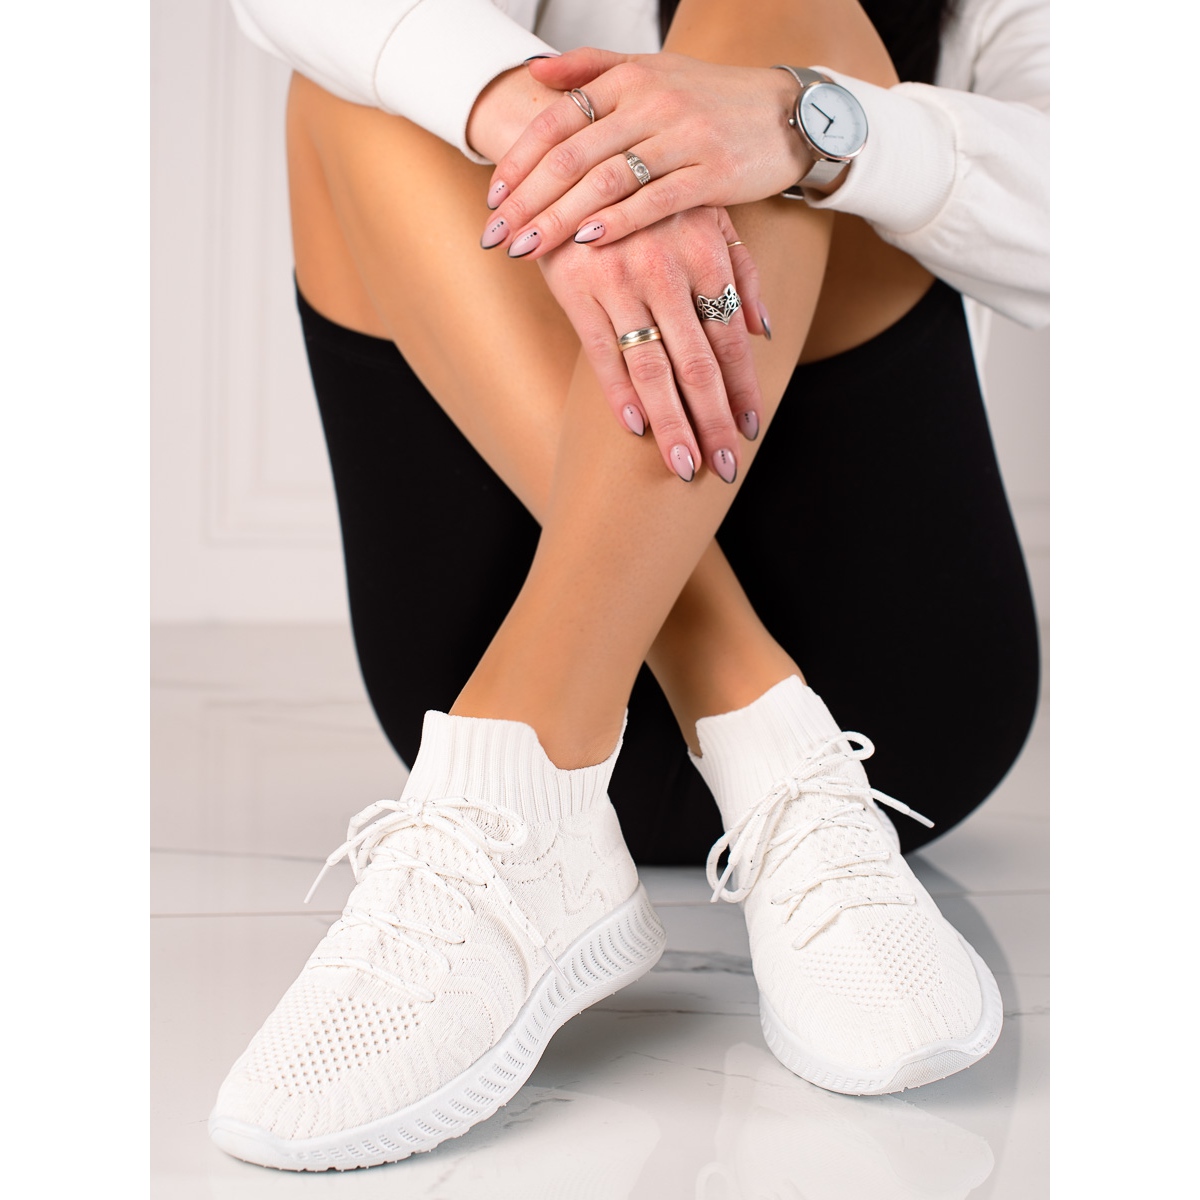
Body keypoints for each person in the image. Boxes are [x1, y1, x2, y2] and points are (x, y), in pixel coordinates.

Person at [206, 0, 1048, 1171]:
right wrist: (550, 134)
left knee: (792, 18)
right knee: (367, 80)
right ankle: (740, 734)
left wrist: (811, 129)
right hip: (489, 635)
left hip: (887, 710)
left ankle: (564, 773)